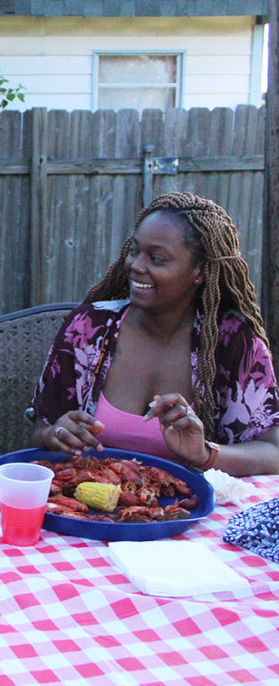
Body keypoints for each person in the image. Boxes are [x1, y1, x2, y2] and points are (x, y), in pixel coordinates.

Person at [29, 192, 279, 476]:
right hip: (86, 499)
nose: (136, 265)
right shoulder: (88, 328)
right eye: (134, 250)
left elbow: (273, 452)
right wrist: (54, 434)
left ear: (199, 270)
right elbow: (39, 433)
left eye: (157, 258)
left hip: (194, 501)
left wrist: (204, 454)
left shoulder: (233, 342)